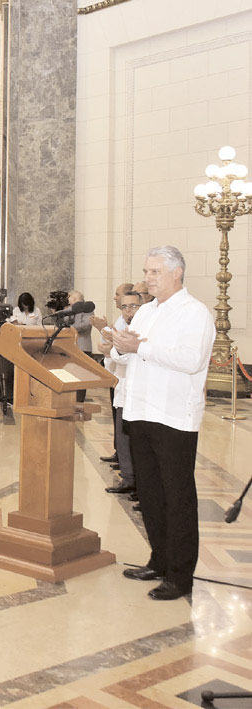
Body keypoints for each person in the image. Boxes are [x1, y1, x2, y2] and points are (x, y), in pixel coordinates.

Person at [110, 246, 214, 600]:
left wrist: (141, 349)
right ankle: (158, 558)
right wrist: (120, 347)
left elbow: (191, 360)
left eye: (154, 272)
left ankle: (180, 575)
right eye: (146, 271)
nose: (147, 278)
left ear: (176, 274)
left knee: (177, 497)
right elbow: (122, 355)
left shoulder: (194, 312)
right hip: (140, 411)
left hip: (173, 417)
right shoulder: (145, 312)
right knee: (151, 494)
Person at [101, 291, 142, 497]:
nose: (128, 311)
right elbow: (116, 361)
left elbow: (135, 357)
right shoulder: (124, 327)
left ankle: (138, 483)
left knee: (135, 442)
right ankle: (128, 479)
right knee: (122, 437)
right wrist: (111, 351)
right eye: (124, 307)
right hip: (122, 389)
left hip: (139, 394)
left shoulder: (143, 326)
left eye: (133, 306)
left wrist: (113, 350)